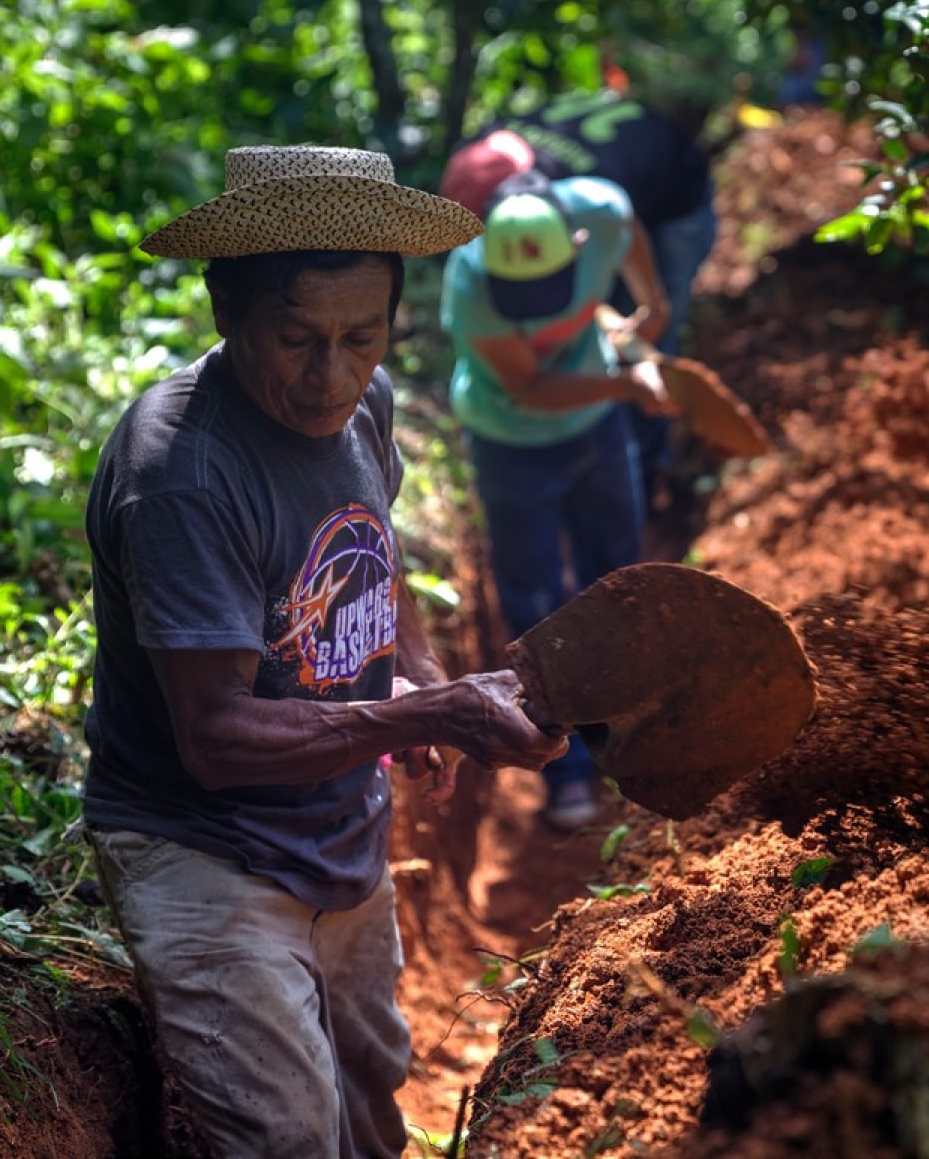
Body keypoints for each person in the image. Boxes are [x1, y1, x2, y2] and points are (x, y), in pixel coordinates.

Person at [81, 144, 568, 1159]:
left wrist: (423, 673)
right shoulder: (183, 473)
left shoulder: (367, 401)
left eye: (362, 336)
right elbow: (215, 739)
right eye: (297, 338)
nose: (330, 376)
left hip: (340, 832)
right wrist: (426, 716)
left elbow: (370, 553)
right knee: (286, 1136)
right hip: (207, 850)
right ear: (226, 309)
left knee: (370, 1104)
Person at [439, 168, 674, 830]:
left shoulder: (602, 209)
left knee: (618, 577)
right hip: (511, 443)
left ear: (575, 240)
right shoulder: (469, 283)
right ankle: (564, 769)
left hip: (597, 429)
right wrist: (628, 387)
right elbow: (534, 390)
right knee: (538, 603)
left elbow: (629, 235)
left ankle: (628, 739)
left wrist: (649, 309)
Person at [439, 89, 716, 494]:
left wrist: (653, 308)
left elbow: (625, 229)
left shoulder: (589, 198)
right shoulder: (489, 152)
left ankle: (650, 460)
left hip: (675, 187)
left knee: (653, 335)